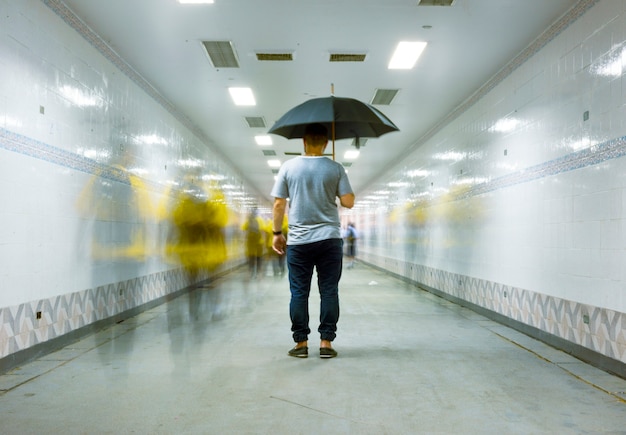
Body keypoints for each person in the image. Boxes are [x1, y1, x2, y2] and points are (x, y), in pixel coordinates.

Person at [271, 123, 355, 359]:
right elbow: (349, 202)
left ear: (304, 142)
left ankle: (301, 344)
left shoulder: (288, 167)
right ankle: (326, 343)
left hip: (298, 241)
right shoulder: (335, 168)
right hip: (329, 239)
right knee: (329, 291)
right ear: (326, 143)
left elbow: (278, 205)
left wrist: (277, 233)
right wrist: (336, 182)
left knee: (299, 293)